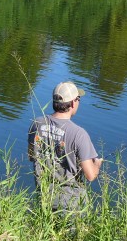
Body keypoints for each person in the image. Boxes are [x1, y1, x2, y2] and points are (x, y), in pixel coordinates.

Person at [28, 81, 102, 214]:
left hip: (45, 197)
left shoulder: (36, 123)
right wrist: (97, 164)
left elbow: (31, 156)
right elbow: (90, 176)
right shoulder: (79, 134)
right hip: (72, 204)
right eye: (78, 99)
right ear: (73, 103)